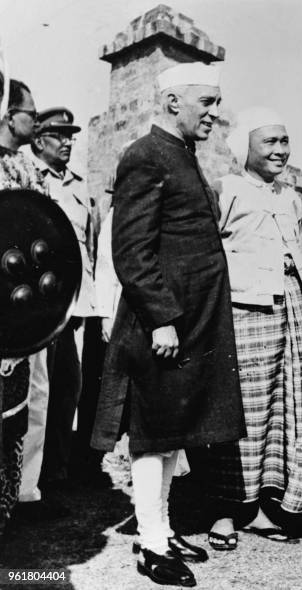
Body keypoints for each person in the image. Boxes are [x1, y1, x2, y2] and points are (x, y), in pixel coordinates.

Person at [91, 62, 245, 587]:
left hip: (195, 321)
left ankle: (164, 526)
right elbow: (131, 252)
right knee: (155, 432)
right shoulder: (144, 155)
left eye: (217, 102)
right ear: (174, 101)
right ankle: (151, 543)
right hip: (165, 324)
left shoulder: (182, 155)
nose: (216, 113)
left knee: (175, 426)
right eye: (207, 102)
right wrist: (160, 319)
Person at [202, 107, 302, 550]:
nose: (280, 150)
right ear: (247, 149)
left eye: (284, 141)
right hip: (243, 316)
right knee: (240, 411)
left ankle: (259, 506)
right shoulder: (226, 191)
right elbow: (208, 258)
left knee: (279, 412)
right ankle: (223, 510)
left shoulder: (291, 197)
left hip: (288, 314)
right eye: (269, 143)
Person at [28, 108, 100, 494]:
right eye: (60, 135)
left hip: (70, 308)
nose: (69, 141)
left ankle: (55, 473)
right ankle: (27, 480)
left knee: (66, 387)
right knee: (34, 391)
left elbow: (88, 245)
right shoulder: (26, 179)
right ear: (39, 141)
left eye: (72, 135)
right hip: (34, 307)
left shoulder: (79, 186)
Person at [0, 75, 46, 539]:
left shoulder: (28, 169)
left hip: (15, 323)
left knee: (10, 423)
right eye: (30, 111)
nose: (35, 118)